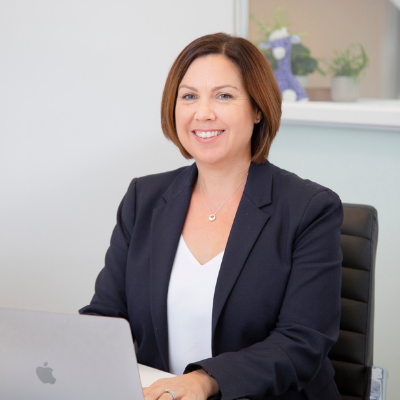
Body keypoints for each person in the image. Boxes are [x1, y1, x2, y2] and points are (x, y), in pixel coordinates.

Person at [80, 33, 343, 400]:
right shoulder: (144, 198)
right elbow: (107, 316)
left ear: (257, 109)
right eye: (189, 96)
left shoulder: (309, 209)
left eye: (224, 95)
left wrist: (205, 380)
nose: (203, 113)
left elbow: (302, 341)